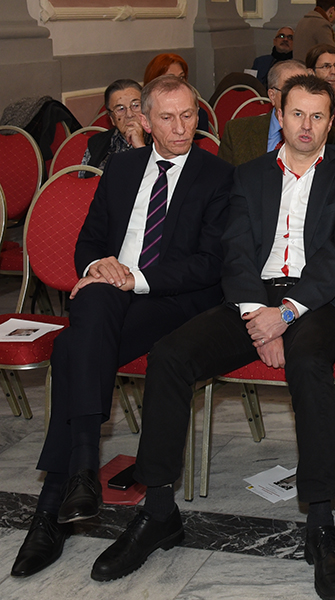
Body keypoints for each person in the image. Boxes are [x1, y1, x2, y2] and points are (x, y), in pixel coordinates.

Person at [90, 74, 335, 600]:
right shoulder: (249, 174)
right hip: (252, 298)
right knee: (170, 355)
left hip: (321, 302)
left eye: (317, 116)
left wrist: (284, 315)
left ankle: (320, 523)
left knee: (309, 363)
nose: (306, 126)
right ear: (279, 116)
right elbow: (236, 252)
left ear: (331, 122)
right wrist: (256, 315)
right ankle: (158, 512)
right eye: (296, 114)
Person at [10, 74, 233, 579]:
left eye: (189, 116)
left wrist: (136, 278)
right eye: (168, 118)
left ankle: (58, 498)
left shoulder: (218, 175)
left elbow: (210, 264)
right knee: (91, 305)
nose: (181, 127)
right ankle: (81, 474)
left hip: (174, 302)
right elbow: (88, 242)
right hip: (113, 297)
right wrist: (99, 266)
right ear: (145, 121)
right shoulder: (123, 168)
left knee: (73, 346)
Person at [218, 60, 309, 166]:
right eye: (289, 91)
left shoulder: (322, 134)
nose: (299, 98)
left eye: (306, 91)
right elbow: (224, 175)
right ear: (272, 96)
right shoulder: (237, 132)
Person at [80, 79, 147, 176]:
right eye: (120, 109)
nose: (129, 114)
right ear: (111, 118)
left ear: (146, 109)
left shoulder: (161, 140)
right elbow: (84, 182)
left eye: (136, 105)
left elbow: (162, 181)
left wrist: (140, 148)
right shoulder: (97, 143)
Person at [143, 53, 211, 133]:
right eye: (171, 78)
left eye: (181, 77)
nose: (178, 82)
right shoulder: (141, 112)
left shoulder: (198, 113)